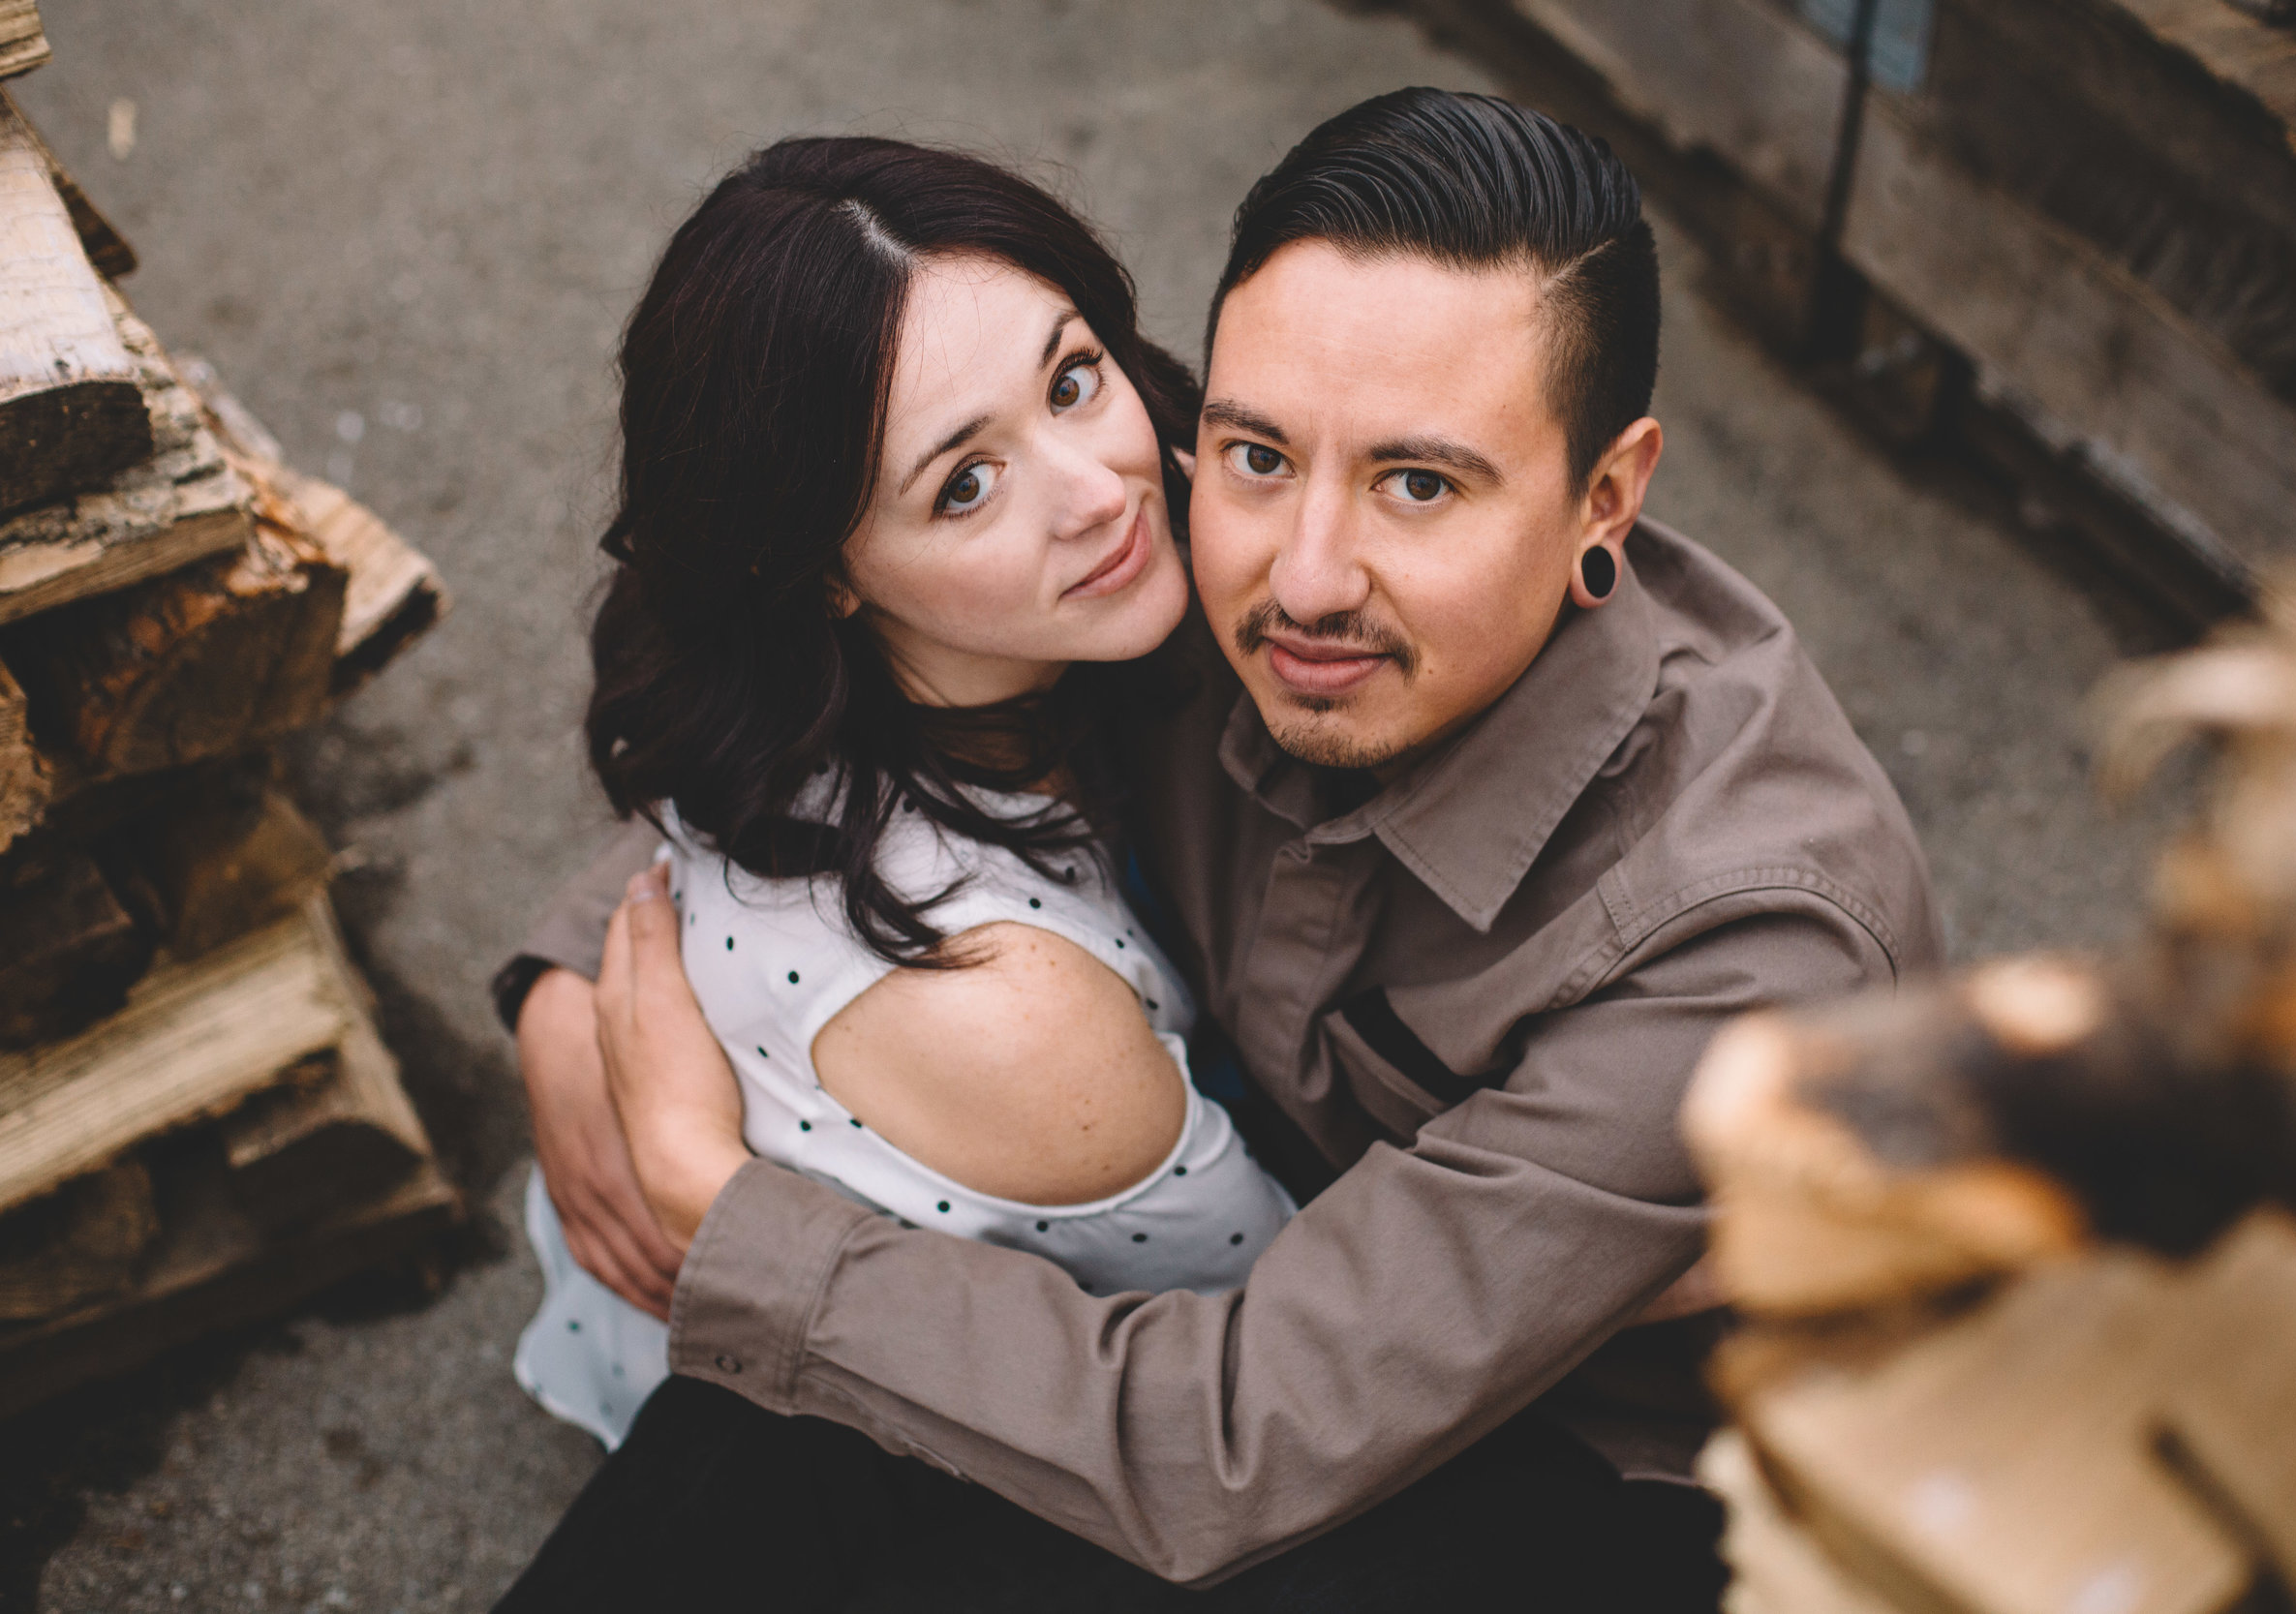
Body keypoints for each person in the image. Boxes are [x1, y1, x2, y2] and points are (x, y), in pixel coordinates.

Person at [498, 89, 1940, 1610]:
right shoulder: (1159, 512)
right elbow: (863, 666)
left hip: (1586, 1453)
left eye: (1420, 484)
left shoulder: (1738, 948)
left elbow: (1230, 1437)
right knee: (785, 1415)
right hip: (1256, 1285)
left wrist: (721, 1213)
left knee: (867, 1383)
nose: (1300, 579)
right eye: (1255, 452)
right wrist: (575, 969)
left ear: (1609, 496)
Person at [505, 135, 1297, 1451]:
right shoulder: (1013, 1013)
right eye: (966, 484)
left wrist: (545, 983)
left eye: (1073, 377)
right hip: (861, 1429)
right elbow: (1259, 1346)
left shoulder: (864, 679)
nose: (1103, 490)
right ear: (825, 574)